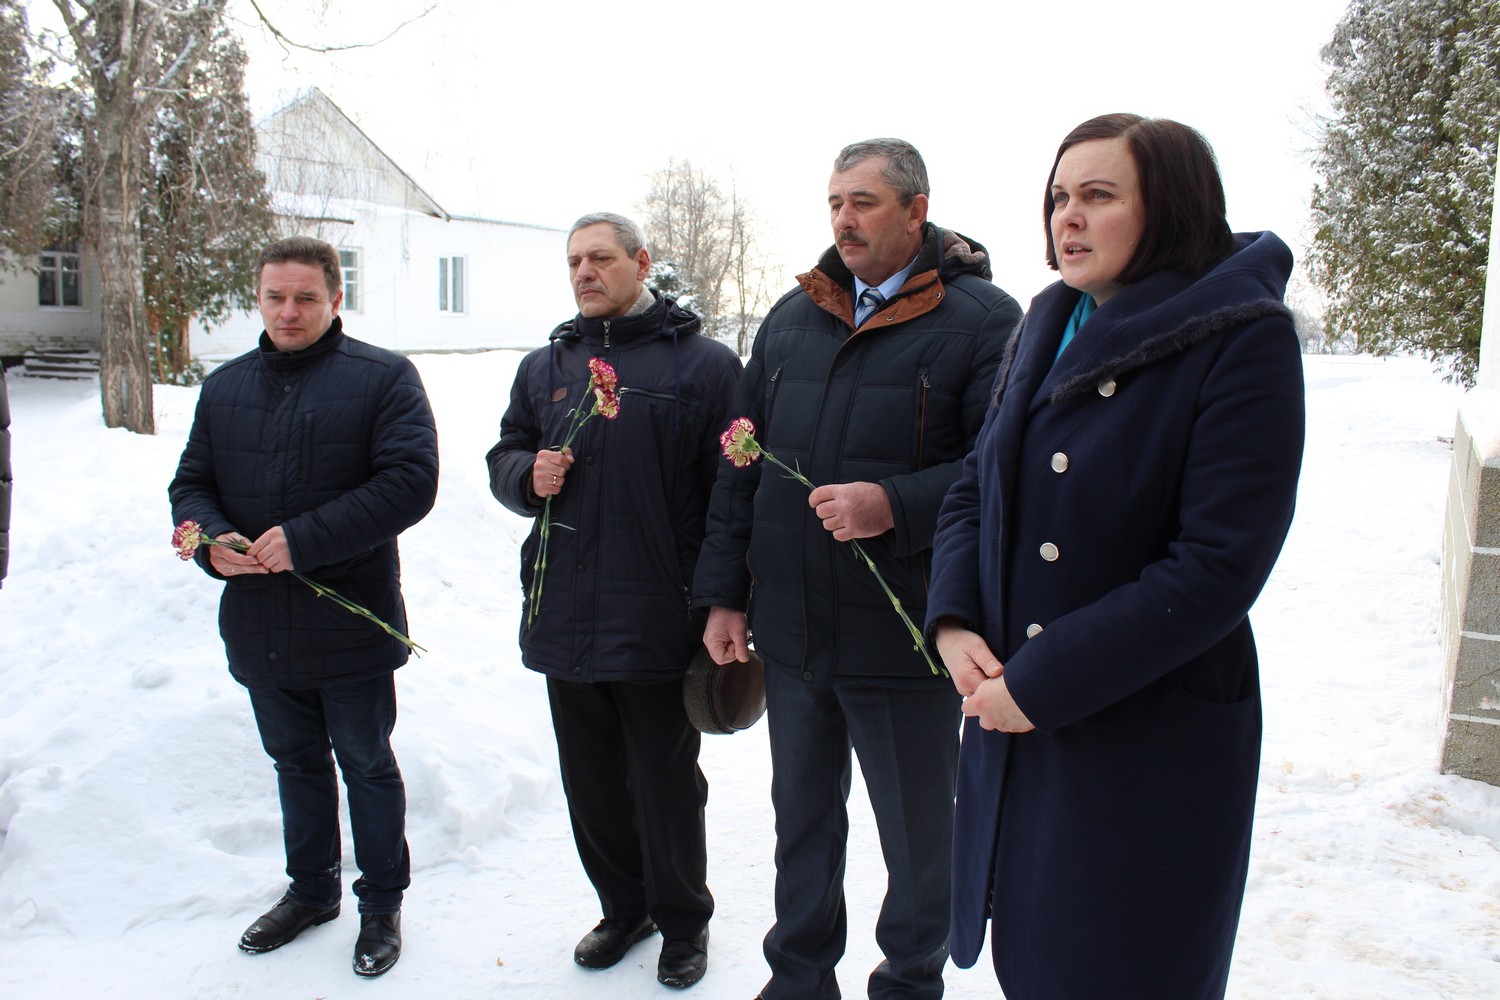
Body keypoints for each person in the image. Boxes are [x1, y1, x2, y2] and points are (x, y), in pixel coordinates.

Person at [926, 113, 1306, 999]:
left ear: (1169, 207)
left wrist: (1044, 680)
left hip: (1143, 728)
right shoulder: (1045, 321)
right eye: (1060, 197)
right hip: (1013, 710)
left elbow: (1217, 563)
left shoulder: (1240, 335)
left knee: (1121, 964)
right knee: (1035, 958)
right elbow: (973, 488)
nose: (1069, 217)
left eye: (1098, 196)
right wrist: (951, 622)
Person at [694, 139, 1022, 1000]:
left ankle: (909, 981)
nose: (844, 217)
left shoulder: (985, 320)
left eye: (866, 201)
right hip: (798, 634)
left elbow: (1001, 471)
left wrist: (894, 504)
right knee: (801, 824)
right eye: (836, 200)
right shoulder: (789, 318)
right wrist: (726, 595)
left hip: (907, 634)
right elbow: (742, 466)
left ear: (917, 210)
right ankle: (799, 979)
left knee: (918, 836)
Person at [169, 235, 438, 979]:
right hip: (259, 622)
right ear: (258, 298)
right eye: (275, 297)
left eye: (306, 297)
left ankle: (381, 904)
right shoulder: (225, 388)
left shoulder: (382, 378)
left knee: (365, 764)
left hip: (348, 617)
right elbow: (190, 483)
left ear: (335, 298)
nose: (288, 311)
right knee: (294, 763)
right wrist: (208, 541)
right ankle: (311, 891)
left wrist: (306, 539)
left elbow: (411, 482)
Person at [486, 212, 741, 990]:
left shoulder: (702, 366)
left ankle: (683, 921)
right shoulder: (546, 366)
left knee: (664, 779)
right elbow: (504, 452)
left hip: (658, 609)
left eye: (600, 258)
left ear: (642, 263)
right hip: (565, 605)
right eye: (574, 261)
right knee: (591, 780)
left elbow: (733, 487)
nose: (585, 272)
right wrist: (526, 474)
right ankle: (623, 907)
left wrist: (721, 598)